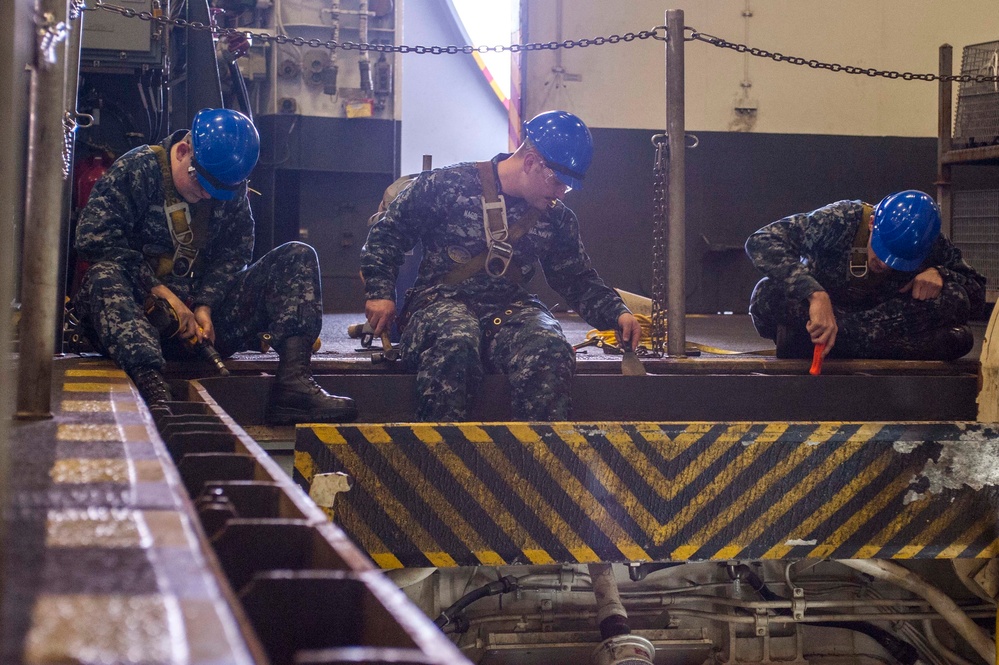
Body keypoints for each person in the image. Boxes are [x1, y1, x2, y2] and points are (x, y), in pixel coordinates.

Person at [72, 107, 357, 424]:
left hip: (202, 328)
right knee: (103, 276)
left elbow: (235, 252)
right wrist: (160, 291)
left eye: (217, 190)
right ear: (183, 151)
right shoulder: (138, 169)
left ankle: (294, 387)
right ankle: (152, 388)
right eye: (201, 183)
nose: (208, 195)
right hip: (136, 321)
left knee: (297, 256)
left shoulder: (227, 186)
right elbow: (93, 238)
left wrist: (205, 305)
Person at [360, 110, 641, 421]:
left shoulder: (556, 217)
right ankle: (443, 449)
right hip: (439, 303)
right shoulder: (445, 186)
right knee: (455, 340)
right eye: (557, 182)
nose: (561, 193)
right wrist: (380, 292)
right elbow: (387, 233)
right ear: (531, 162)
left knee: (549, 346)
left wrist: (616, 313)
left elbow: (576, 278)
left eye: (568, 187)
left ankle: (538, 449)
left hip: (509, 309)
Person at [745, 190, 986, 360]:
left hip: (883, 320)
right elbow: (762, 240)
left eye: (897, 261)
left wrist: (940, 273)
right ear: (872, 223)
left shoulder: (928, 241)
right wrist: (815, 295)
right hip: (833, 315)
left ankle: (822, 344)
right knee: (766, 293)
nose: (885, 264)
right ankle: (873, 347)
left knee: (954, 297)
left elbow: (976, 294)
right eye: (882, 251)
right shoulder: (841, 219)